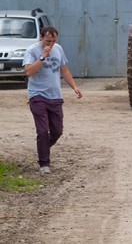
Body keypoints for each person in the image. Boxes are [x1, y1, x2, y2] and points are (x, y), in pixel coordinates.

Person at [23, 26, 83, 174]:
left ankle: (42, 149)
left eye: (54, 41)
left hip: (55, 97)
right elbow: (29, 72)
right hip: (37, 95)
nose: (51, 44)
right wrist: (43, 55)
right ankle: (44, 164)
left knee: (57, 131)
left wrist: (74, 86)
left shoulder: (58, 49)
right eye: (48, 41)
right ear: (41, 38)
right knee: (43, 131)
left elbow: (64, 70)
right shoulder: (32, 50)